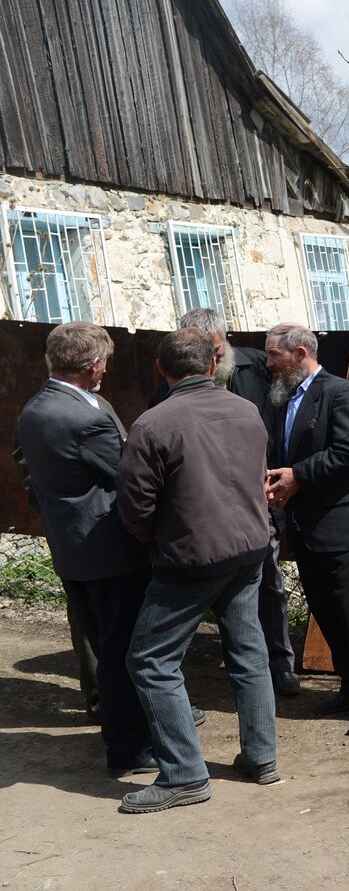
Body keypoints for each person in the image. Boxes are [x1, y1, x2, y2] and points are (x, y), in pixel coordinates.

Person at [116, 328, 280, 814]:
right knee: (249, 651)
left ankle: (185, 775)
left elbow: (134, 507)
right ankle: (261, 757)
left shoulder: (152, 424)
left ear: (161, 371)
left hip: (192, 559)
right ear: (213, 365)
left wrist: (158, 539)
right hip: (249, 549)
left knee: (149, 660)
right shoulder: (245, 409)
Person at [13, 322, 154, 776]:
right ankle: (129, 750)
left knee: (106, 644)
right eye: (105, 362)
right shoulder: (84, 417)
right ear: (93, 365)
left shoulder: (35, 408)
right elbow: (131, 476)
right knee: (121, 651)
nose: (106, 370)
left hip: (72, 549)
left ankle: (124, 737)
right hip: (109, 552)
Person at [151, 308, 299, 698]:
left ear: (225, 342)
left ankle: (279, 667)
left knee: (269, 587)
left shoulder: (256, 366)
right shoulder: (168, 385)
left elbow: (288, 417)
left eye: (216, 349)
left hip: (257, 502)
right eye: (204, 353)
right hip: (204, 513)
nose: (213, 360)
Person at [263, 322, 349, 736]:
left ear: (301, 353)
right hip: (306, 528)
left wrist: (297, 475)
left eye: (274, 355)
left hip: (342, 527)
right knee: (327, 612)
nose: (268, 363)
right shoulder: (287, 398)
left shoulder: (342, 393)